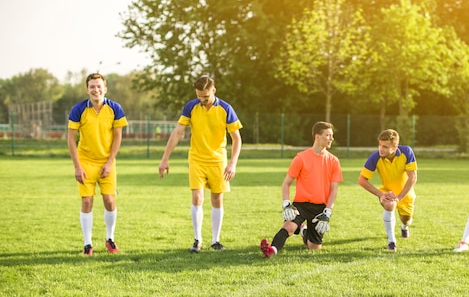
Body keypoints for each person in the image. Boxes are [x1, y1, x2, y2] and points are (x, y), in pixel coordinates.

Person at [158, 75, 242, 252]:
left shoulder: (226, 109)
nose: (202, 100)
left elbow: (236, 138)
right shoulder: (191, 107)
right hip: (196, 159)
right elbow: (178, 133)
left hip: (218, 160)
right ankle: (197, 240)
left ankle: (215, 240)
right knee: (197, 198)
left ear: (214, 91)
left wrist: (232, 163)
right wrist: (165, 158)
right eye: (199, 96)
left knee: (217, 199)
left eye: (205, 96)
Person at [260, 121, 343, 257]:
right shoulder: (301, 158)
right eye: (328, 135)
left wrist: (327, 212)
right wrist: (286, 204)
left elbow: (334, 189)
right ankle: (272, 250)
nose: (331, 139)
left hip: (320, 208)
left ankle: (303, 231)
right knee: (289, 227)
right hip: (301, 205)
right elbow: (286, 183)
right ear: (317, 136)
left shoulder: (334, 161)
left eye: (331, 135)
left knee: (314, 247)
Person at [67, 73, 128, 256]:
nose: (96, 89)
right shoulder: (78, 110)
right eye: (92, 86)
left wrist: (109, 163)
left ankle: (110, 239)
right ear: (87, 90)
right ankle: (87, 244)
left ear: (105, 88)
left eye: (99, 86)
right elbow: (71, 139)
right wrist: (77, 166)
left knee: (109, 200)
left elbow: (118, 137)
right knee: (87, 201)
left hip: (107, 162)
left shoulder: (115, 108)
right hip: (85, 162)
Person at [358, 129, 417, 252]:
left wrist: (399, 197)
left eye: (385, 146)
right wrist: (381, 194)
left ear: (394, 147)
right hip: (387, 192)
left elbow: (413, 177)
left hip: (405, 194)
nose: (381, 149)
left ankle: (404, 227)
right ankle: (392, 241)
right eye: (380, 145)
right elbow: (362, 180)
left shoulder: (406, 152)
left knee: (406, 220)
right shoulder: (375, 157)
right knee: (389, 205)